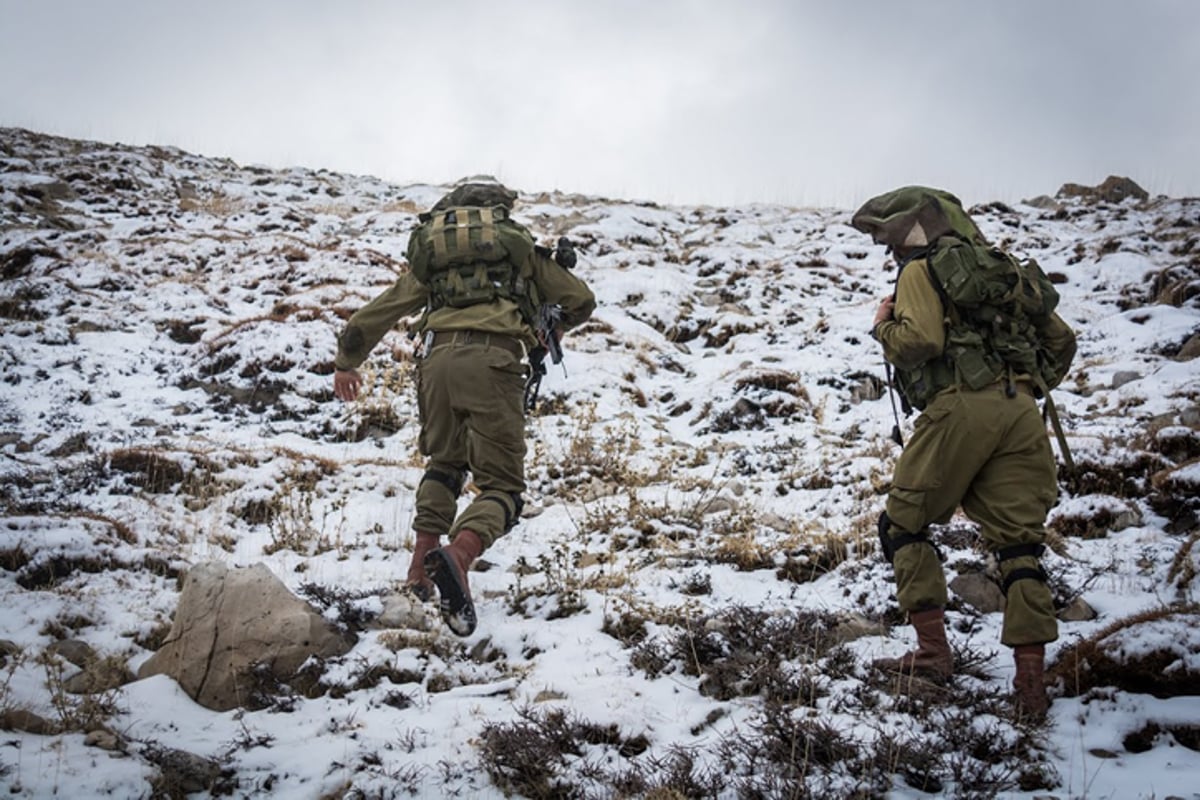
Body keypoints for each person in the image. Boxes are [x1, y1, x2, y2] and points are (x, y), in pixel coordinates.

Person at [850, 186, 1077, 720]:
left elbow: (921, 341)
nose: (890, 253)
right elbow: (1062, 343)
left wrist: (883, 323)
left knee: (902, 523)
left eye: (891, 242)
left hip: (960, 408)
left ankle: (932, 653)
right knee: (1019, 547)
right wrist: (1025, 386)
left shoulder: (919, 271)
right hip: (1022, 412)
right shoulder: (1005, 275)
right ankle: (1030, 688)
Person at [332, 181, 595, 637]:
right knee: (503, 488)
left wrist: (346, 363)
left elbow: (379, 311)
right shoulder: (521, 255)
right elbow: (581, 301)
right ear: (500, 212)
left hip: (435, 364)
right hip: (493, 363)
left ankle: (419, 572)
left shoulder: (434, 262)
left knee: (445, 465)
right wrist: (550, 326)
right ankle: (458, 556)